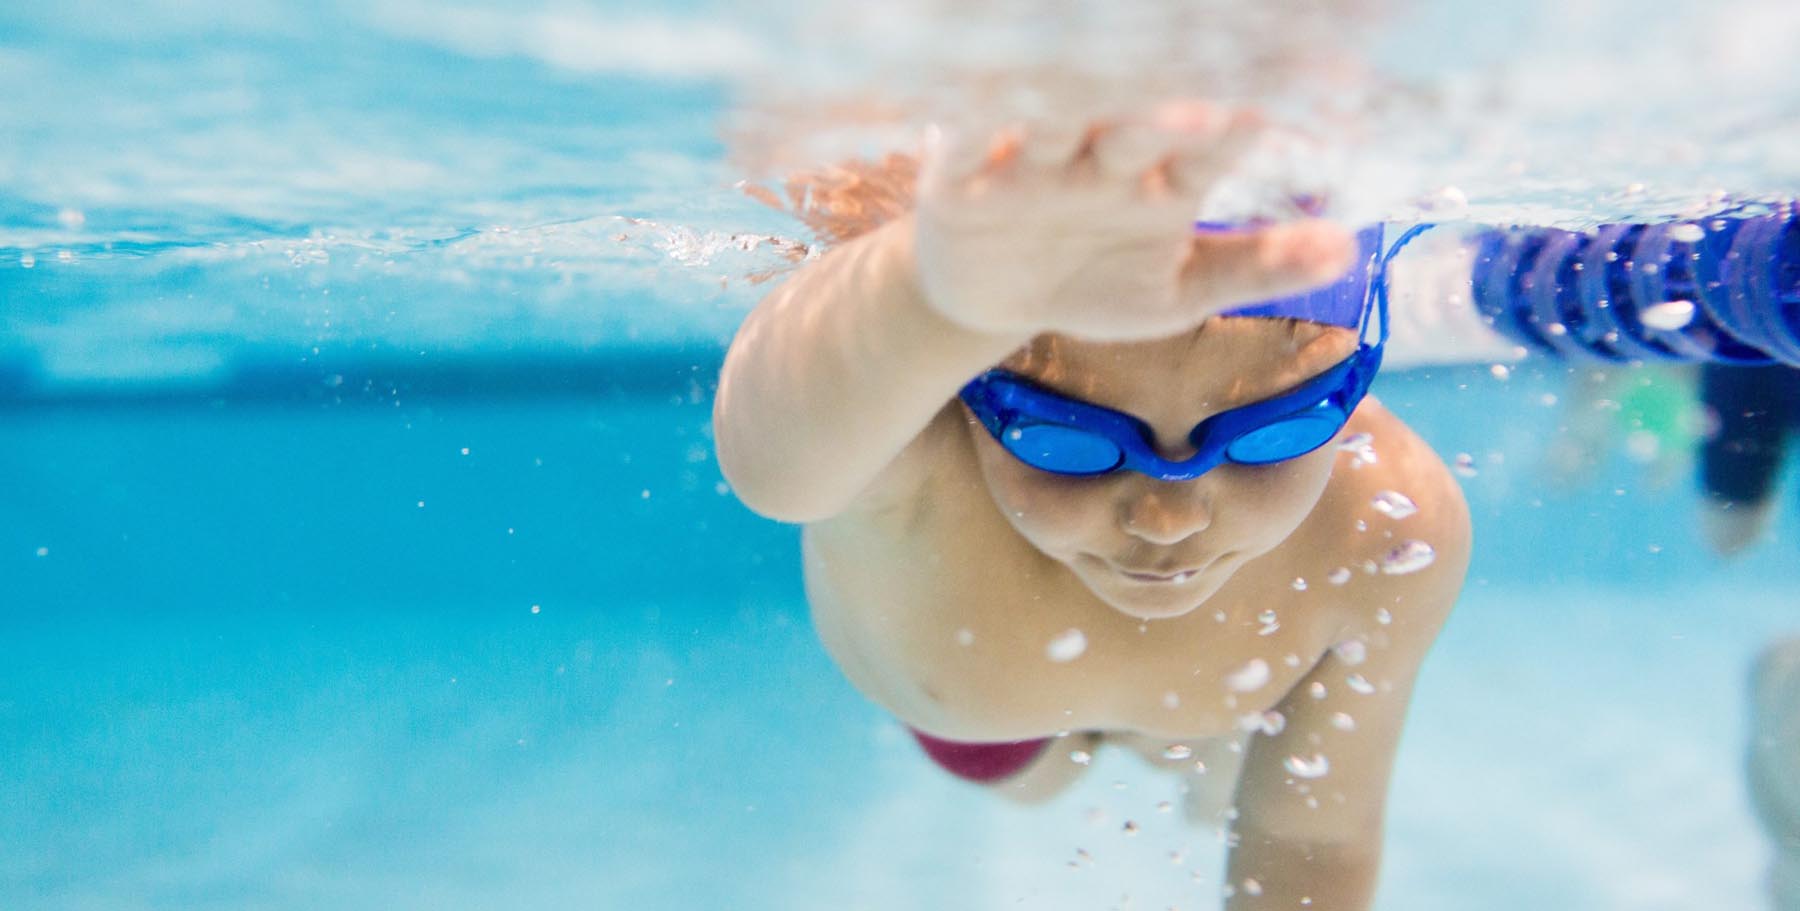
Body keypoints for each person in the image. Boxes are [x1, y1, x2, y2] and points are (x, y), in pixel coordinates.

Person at [713, 105, 1471, 909]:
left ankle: (1187, 747)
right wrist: (930, 289)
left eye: (1266, 433)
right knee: (1037, 781)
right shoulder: (919, 444)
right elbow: (776, 469)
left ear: (1349, 385)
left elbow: (1313, 839)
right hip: (993, 734)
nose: (1166, 517)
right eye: (1068, 439)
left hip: (1206, 703)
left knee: (1220, 773)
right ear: (971, 394)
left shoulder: (1390, 524)